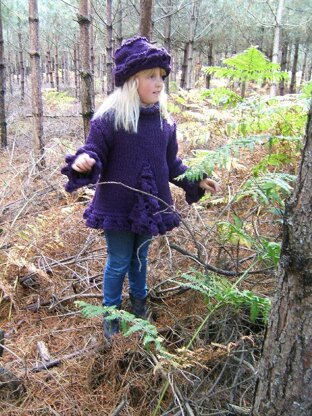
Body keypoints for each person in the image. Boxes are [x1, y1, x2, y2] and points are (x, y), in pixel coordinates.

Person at [61, 36, 220, 339]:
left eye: (161, 76)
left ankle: (139, 305)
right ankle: (110, 314)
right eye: (150, 76)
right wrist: (84, 161)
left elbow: (171, 165)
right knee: (119, 259)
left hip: (150, 206)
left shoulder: (164, 123)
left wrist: (196, 178)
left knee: (140, 258)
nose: (159, 83)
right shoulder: (110, 119)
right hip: (118, 206)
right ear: (132, 80)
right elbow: (93, 150)